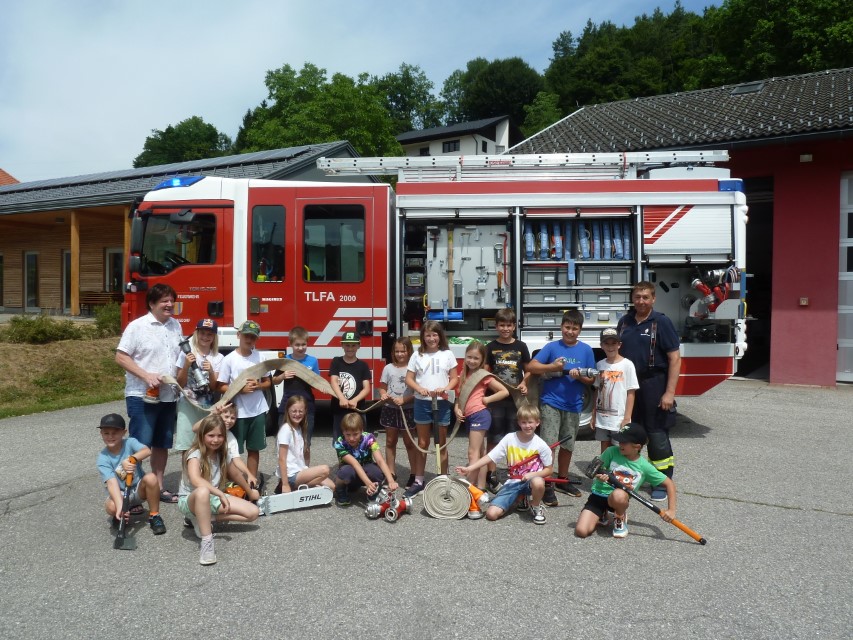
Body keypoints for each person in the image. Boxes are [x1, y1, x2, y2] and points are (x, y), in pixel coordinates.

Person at [115, 283, 183, 503]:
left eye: (171, 300)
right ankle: (131, 493)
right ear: (152, 303)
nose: (169, 304)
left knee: (162, 444)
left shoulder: (176, 325)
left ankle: (158, 488)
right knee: (140, 445)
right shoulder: (137, 326)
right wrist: (145, 375)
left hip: (168, 395)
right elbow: (121, 357)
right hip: (142, 395)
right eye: (164, 301)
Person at [617, 281, 682, 501]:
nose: (641, 301)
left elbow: (675, 358)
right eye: (637, 297)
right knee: (630, 432)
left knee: (656, 434)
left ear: (653, 299)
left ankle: (661, 482)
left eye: (645, 297)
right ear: (632, 299)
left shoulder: (661, 322)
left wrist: (669, 393)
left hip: (654, 383)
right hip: (629, 385)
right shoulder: (625, 322)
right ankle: (630, 476)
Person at [526, 309, 595, 505]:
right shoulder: (552, 347)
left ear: (580, 330)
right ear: (561, 327)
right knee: (549, 445)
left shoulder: (586, 350)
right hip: (551, 403)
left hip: (574, 405)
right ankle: (547, 483)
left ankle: (562, 480)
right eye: (567, 327)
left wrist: (580, 377)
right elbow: (531, 367)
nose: (570, 332)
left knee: (567, 445)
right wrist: (552, 367)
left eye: (574, 328)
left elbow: (591, 379)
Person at [179, 413, 260, 565]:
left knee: (253, 513)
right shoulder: (194, 454)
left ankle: (205, 518)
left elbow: (235, 474)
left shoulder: (222, 453)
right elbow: (196, 480)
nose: (215, 440)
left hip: (213, 498)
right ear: (202, 435)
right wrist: (219, 493)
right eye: (211, 435)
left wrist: (250, 492)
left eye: (220, 436)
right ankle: (207, 544)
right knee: (203, 491)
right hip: (190, 500)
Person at [574, 422, 677, 539]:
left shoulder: (644, 467)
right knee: (581, 531)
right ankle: (602, 514)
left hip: (618, 500)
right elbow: (594, 469)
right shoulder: (611, 451)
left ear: (637, 446)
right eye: (619, 440)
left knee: (618, 494)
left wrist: (671, 510)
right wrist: (599, 476)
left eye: (624, 442)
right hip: (598, 495)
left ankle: (620, 516)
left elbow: (669, 484)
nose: (620, 444)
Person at [455, 405, 553, 525]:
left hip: (531, 482)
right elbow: (490, 457)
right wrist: (469, 468)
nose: (527, 425)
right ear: (518, 422)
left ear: (537, 422)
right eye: (524, 422)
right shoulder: (510, 438)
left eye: (530, 422)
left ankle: (535, 506)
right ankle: (520, 498)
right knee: (491, 515)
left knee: (538, 482)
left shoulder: (541, 445)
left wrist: (533, 474)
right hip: (513, 482)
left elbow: (549, 470)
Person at [404, 320, 459, 497]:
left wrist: (445, 388)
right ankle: (419, 480)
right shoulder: (417, 355)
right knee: (422, 443)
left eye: (434, 335)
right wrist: (419, 388)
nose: (431, 338)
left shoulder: (447, 354)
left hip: (441, 402)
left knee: (441, 443)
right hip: (422, 402)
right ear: (423, 337)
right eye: (428, 335)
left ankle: (442, 478)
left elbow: (454, 378)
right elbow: (409, 378)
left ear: (440, 336)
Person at [217, 320, 272, 487]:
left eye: (253, 337)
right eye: (246, 336)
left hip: (258, 409)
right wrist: (239, 390)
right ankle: (233, 482)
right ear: (238, 335)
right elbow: (220, 386)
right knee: (234, 450)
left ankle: (251, 481)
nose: (249, 340)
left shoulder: (260, 357)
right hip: (237, 412)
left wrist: (258, 386)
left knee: (254, 448)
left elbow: (268, 382)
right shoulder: (229, 359)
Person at [96, 413, 166, 535]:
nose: (110, 436)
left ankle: (154, 516)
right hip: (121, 493)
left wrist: (131, 459)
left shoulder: (130, 442)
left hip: (138, 490)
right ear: (101, 433)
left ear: (124, 432)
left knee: (151, 478)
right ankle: (120, 515)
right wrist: (120, 507)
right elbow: (112, 483)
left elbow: (146, 451)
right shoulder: (103, 458)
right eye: (106, 433)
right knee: (111, 507)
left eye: (115, 433)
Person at [485, 307, 530, 493]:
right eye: (502, 325)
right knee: (494, 438)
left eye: (509, 325)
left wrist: (525, 382)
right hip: (496, 400)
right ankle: (491, 474)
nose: (505, 329)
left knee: (514, 437)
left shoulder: (521, 347)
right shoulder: (490, 347)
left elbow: (528, 370)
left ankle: (515, 473)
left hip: (515, 400)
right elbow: (485, 373)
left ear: (514, 326)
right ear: (496, 326)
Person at [454, 340, 509, 491]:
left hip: (479, 415)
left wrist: (487, 399)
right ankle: (481, 487)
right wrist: (457, 409)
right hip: (469, 416)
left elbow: (504, 391)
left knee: (472, 452)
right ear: (465, 356)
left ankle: (470, 487)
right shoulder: (463, 374)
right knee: (480, 452)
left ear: (482, 360)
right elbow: (459, 398)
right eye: (469, 357)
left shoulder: (483, 376)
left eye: (476, 358)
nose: (472, 361)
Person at [191, 403, 260, 503]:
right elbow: (194, 428)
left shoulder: (231, 437)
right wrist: (213, 414)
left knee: (238, 473)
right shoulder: (208, 428)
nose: (229, 420)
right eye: (226, 416)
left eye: (233, 418)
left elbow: (236, 459)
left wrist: (249, 474)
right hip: (203, 471)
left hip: (217, 472)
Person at [175, 318, 224, 453]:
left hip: (207, 406)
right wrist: (186, 366)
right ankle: (187, 467)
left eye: (209, 334)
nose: (205, 337)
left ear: (214, 337)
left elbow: (214, 387)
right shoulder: (186, 354)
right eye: (202, 333)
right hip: (187, 404)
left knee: (206, 444)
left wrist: (211, 371)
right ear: (196, 334)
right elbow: (180, 383)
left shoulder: (218, 357)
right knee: (187, 444)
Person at [272, 326, 320, 456]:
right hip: (287, 404)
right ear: (290, 344)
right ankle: (284, 467)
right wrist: (283, 376)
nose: (300, 348)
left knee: (306, 443)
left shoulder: (312, 361)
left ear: (307, 343)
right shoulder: (285, 361)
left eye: (303, 344)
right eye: (297, 345)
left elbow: (318, 384)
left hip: (307, 405)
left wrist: (310, 378)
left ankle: (304, 467)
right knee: (283, 441)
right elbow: (274, 380)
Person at [333, 413, 398, 507]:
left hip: (366, 469)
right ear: (343, 432)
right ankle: (341, 490)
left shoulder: (369, 438)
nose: (351, 438)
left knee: (377, 472)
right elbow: (355, 464)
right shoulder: (340, 443)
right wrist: (368, 483)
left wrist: (391, 480)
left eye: (355, 434)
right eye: (348, 435)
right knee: (345, 472)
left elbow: (380, 460)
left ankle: (373, 492)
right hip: (351, 474)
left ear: (361, 430)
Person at [274, 396, 335, 494]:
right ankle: (289, 486)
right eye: (294, 411)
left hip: (300, 471)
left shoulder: (300, 428)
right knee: (325, 470)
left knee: (331, 487)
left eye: (300, 411)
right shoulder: (286, 430)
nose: (297, 414)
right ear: (288, 411)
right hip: (291, 475)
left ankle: (301, 487)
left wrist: (308, 472)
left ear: (305, 411)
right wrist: (285, 484)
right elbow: (282, 458)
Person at [592, 328, 639, 453]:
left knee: (621, 447)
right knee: (604, 446)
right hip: (602, 417)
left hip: (619, 418)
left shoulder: (627, 365)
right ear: (601, 345)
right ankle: (605, 465)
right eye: (606, 343)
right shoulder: (600, 365)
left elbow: (631, 393)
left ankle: (618, 466)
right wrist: (593, 414)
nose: (610, 347)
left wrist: (627, 418)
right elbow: (597, 390)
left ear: (619, 345)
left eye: (613, 343)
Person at [378, 337, 416, 487]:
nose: (400, 354)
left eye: (403, 351)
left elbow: (418, 392)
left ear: (409, 351)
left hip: (408, 409)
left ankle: (414, 474)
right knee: (390, 441)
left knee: (409, 442)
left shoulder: (413, 369)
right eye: (397, 351)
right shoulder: (388, 368)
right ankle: (391, 473)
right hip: (390, 409)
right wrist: (383, 394)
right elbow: (382, 387)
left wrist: (405, 400)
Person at [329, 331, 372, 441]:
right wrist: (342, 398)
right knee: (339, 441)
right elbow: (333, 381)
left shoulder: (363, 365)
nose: (350, 348)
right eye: (347, 345)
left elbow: (367, 388)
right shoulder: (336, 361)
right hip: (339, 410)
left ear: (359, 346)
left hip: (357, 410)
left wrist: (355, 400)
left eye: (353, 345)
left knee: (359, 441)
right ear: (342, 345)